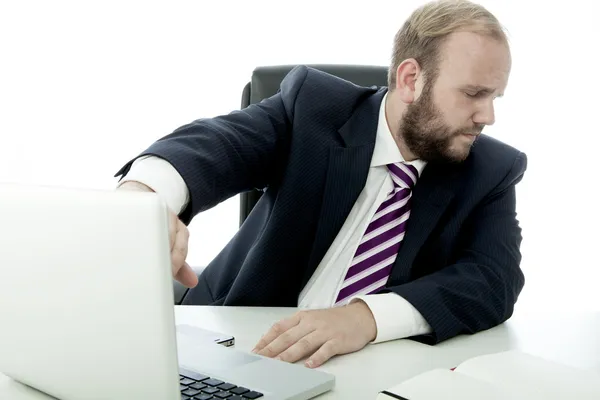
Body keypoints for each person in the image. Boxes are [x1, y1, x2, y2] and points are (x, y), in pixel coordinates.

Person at [116, 0, 526, 369]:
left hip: (360, 366)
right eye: (473, 94)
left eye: (496, 98)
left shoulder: (490, 169)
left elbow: (493, 279)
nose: (487, 116)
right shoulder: (313, 109)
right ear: (410, 79)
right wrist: (144, 200)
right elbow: (219, 144)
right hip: (230, 345)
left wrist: (364, 318)